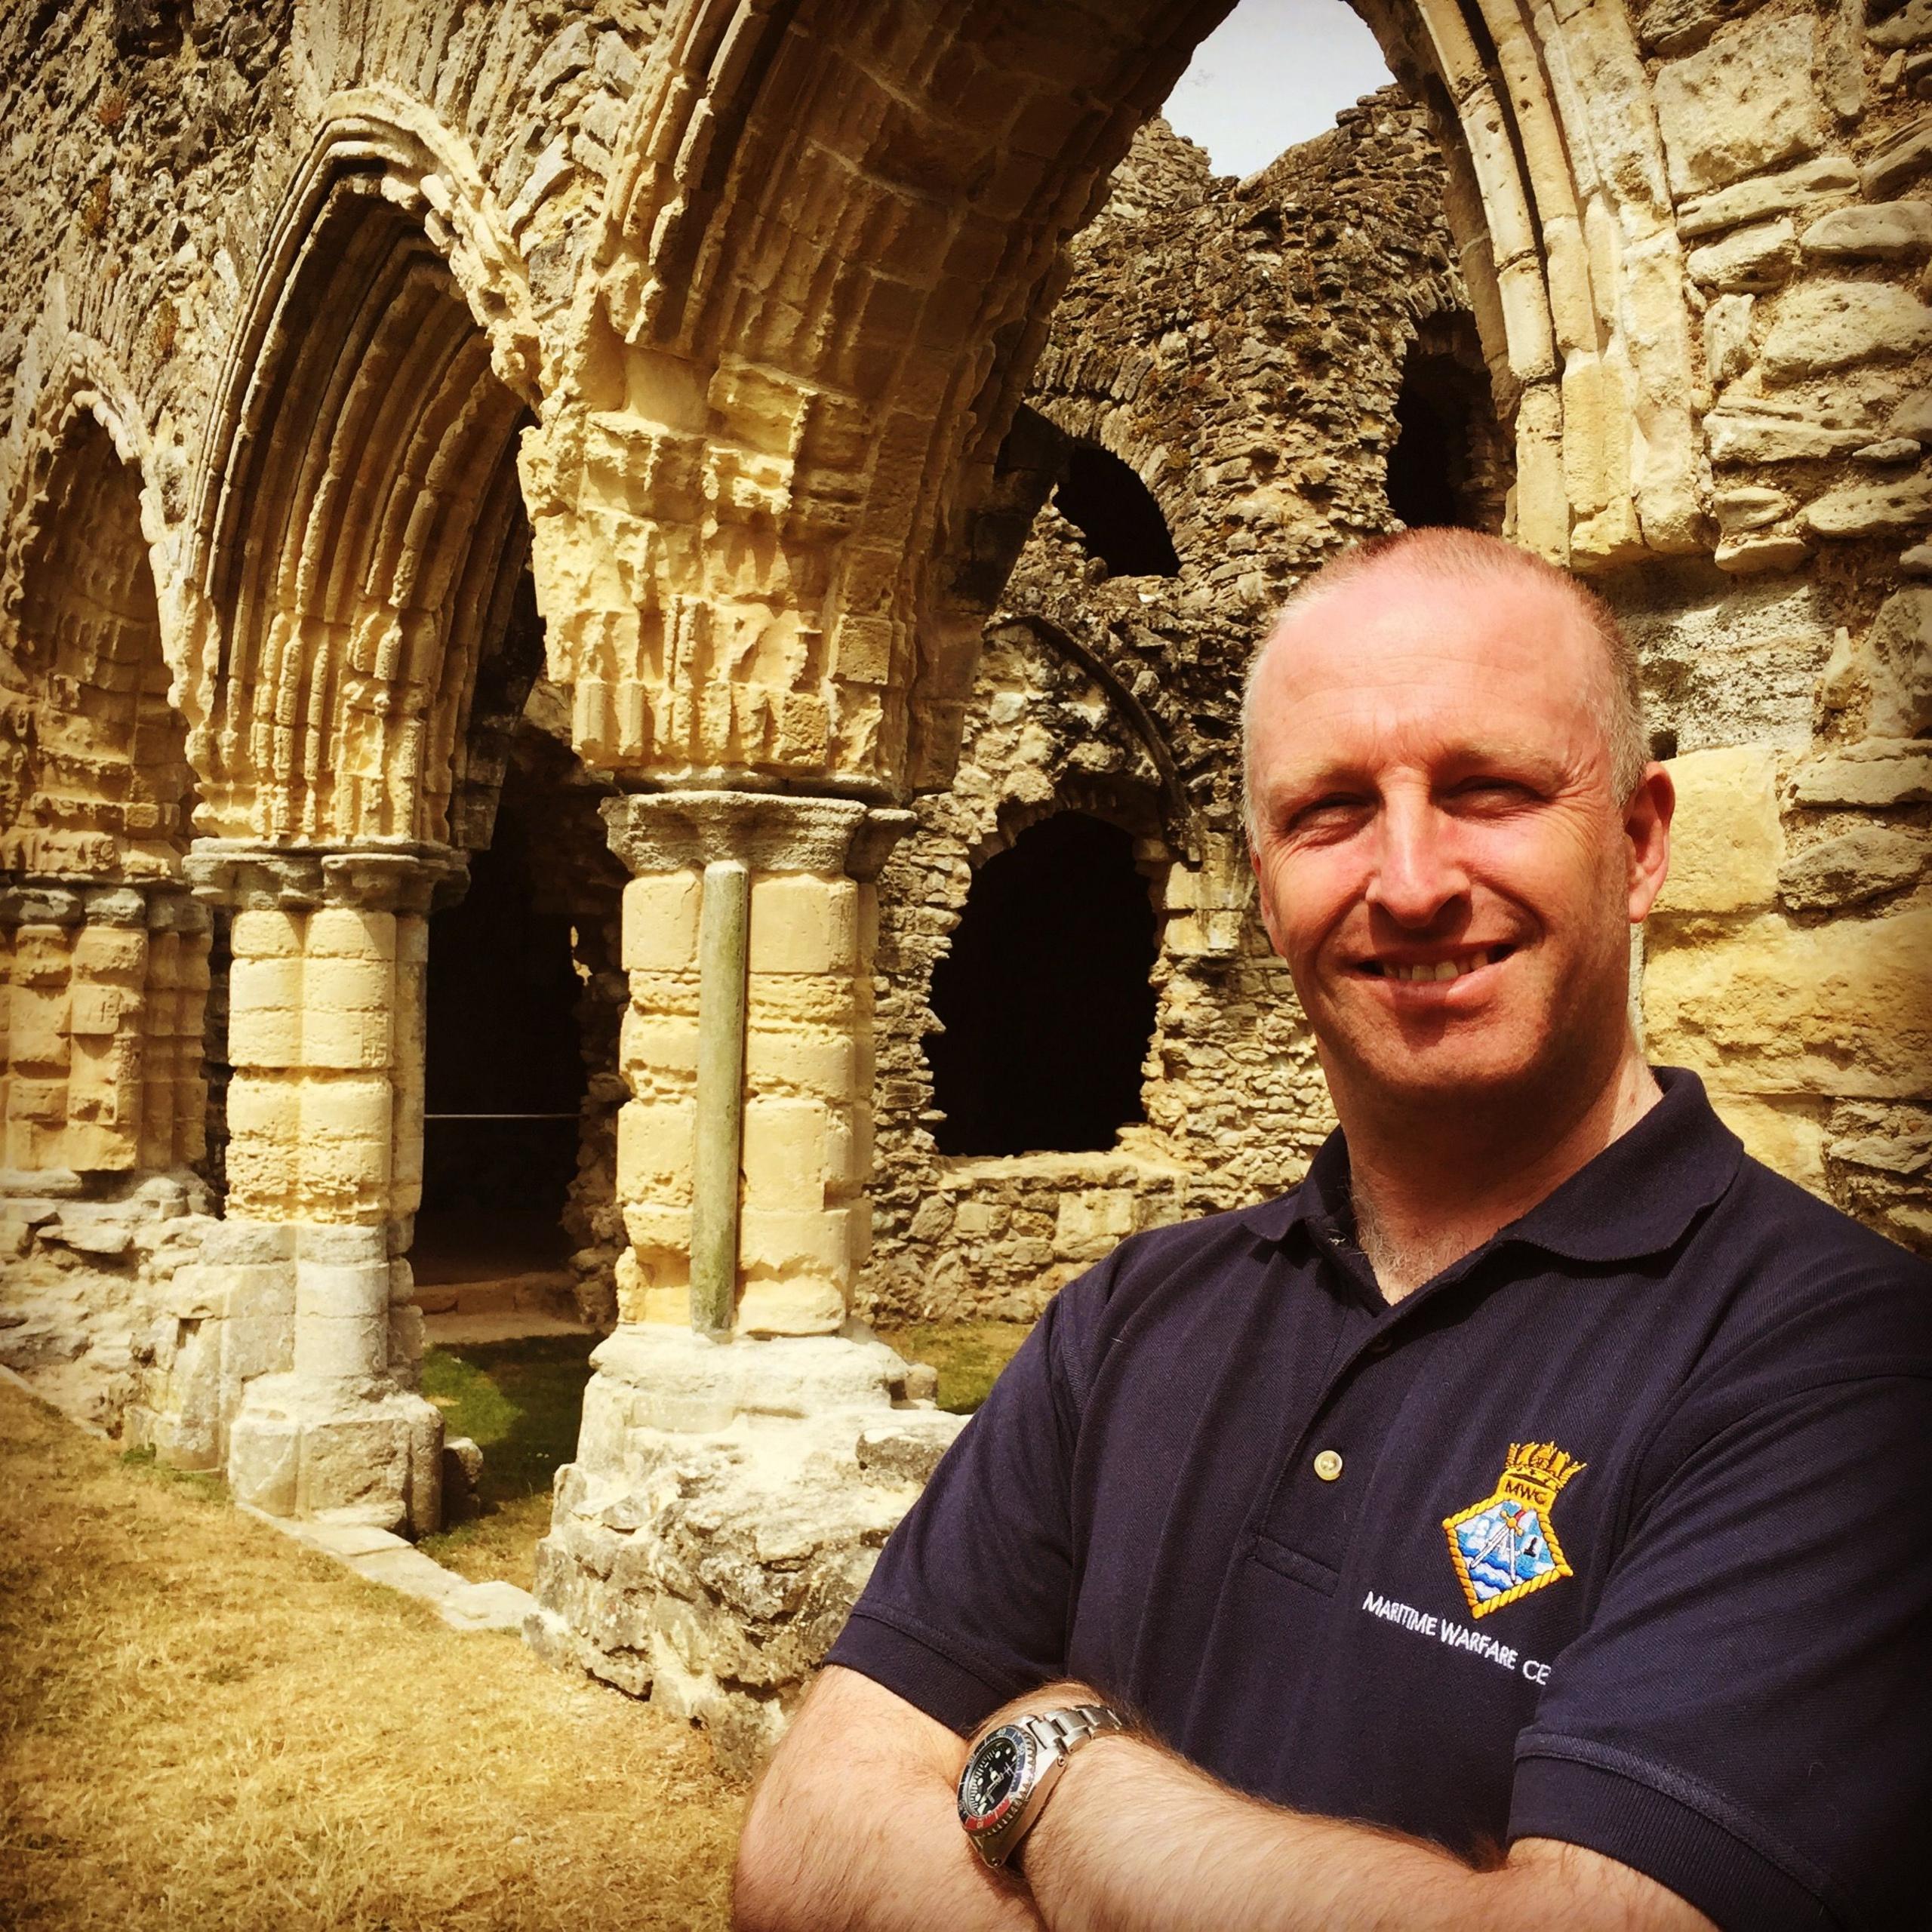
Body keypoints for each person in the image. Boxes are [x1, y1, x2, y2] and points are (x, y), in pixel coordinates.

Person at [731, 528, 1932, 1932]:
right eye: (1331, 812)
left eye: (1488, 791)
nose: (1413, 880)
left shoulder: (1846, 1372)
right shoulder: (1130, 1318)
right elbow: (800, 1849)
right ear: (1260, 878)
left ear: (1641, 841)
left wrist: (1063, 1772)